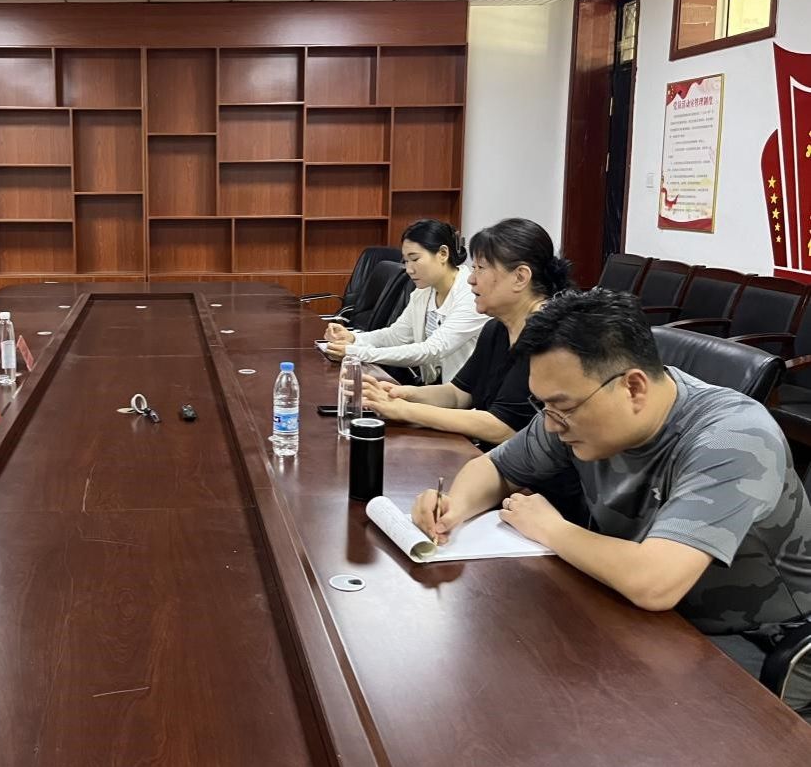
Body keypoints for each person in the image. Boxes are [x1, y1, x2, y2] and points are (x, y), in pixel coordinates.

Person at [411, 288, 811, 717]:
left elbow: (655, 583)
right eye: (544, 405)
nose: (550, 423)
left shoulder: (734, 438)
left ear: (634, 388)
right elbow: (495, 468)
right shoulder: (580, 407)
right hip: (642, 617)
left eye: (560, 407)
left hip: (753, 644)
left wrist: (551, 528)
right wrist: (454, 506)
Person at [360, 217, 571, 448]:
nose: (471, 279)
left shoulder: (549, 336)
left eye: (480, 268)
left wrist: (405, 410)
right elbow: (458, 394)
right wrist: (401, 394)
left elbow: (503, 427)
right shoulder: (497, 328)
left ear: (520, 277)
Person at [323, 219, 486, 384]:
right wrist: (353, 338)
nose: (409, 269)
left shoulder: (471, 295)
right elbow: (396, 336)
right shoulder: (423, 292)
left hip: (466, 394)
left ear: (443, 254)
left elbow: (432, 350)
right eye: (406, 261)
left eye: (415, 259)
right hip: (436, 388)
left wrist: (356, 352)